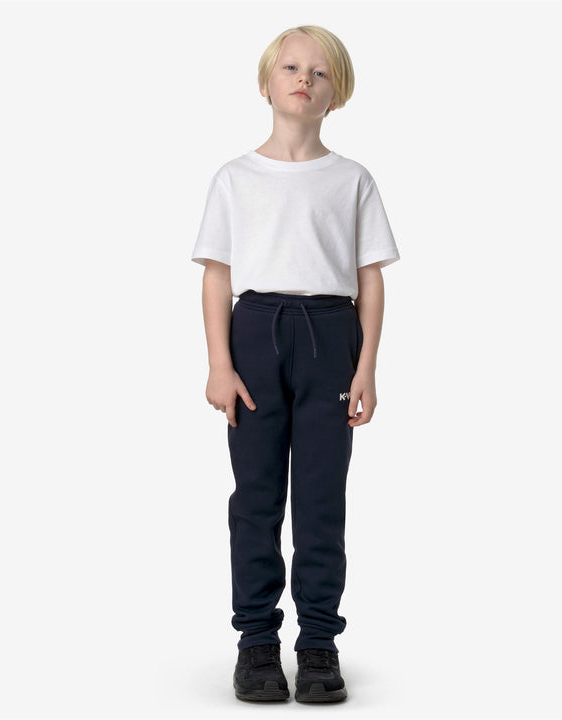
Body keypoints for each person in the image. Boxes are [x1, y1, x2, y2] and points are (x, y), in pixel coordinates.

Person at [191, 24, 400, 704]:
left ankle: (317, 644)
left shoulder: (351, 179)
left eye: (320, 71)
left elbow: (369, 279)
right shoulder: (235, 177)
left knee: (319, 499)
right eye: (290, 67)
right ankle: (256, 640)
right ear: (266, 83)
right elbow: (217, 276)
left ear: (338, 94)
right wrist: (219, 364)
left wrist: (366, 367)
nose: (303, 78)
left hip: (330, 338)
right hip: (254, 333)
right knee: (254, 499)